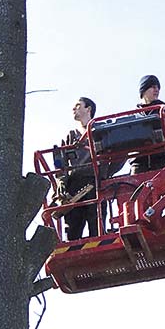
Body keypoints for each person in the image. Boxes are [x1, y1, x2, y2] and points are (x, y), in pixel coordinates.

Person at [55, 96, 98, 240]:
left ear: (88, 109)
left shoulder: (99, 131)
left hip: (95, 182)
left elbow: (118, 155)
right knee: (73, 229)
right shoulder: (71, 136)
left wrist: (105, 173)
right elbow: (61, 164)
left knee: (96, 226)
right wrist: (61, 183)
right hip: (74, 184)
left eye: (78, 105)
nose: (74, 108)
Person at [131, 75, 165, 174]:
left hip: (162, 159)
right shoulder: (132, 115)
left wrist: (157, 138)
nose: (157, 90)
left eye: (158, 87)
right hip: (138, 162)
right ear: (144, 90)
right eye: (153, 87)